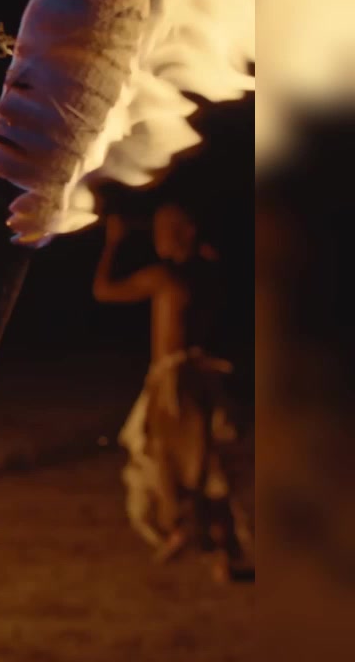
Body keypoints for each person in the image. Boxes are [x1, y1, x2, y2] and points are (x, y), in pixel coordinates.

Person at [94, 205, 250, 580]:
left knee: (165, 453)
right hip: (204, 377)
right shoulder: (209, 271)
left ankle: (178, 525)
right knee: (207, 462)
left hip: (175, 380)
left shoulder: (163, 277)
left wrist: (113, 243)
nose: (157, 237)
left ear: (183, 232)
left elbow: (103, 290)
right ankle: (223, 552)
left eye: (164, 229)